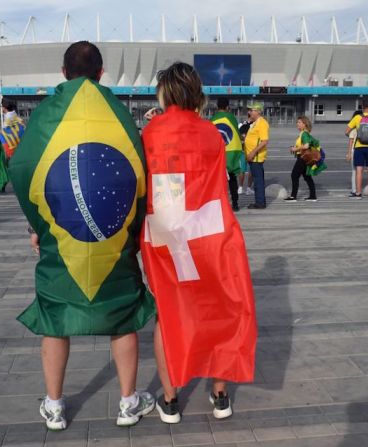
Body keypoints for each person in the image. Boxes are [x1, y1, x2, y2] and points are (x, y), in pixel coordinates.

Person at [8, 41, 156, 431]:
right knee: (122, 315)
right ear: (102, 72)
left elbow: (23, 168)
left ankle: (54, 406)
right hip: (115, 236)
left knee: (56, 316)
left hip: (62, 237)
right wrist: (133, 227)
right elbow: (140, 170)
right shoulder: (119, 114)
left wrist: (39, 225)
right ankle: (128, 403)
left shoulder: (45, 114)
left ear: (63, 72)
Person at [141, 62, 257, 424]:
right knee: (217, 310)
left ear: (164, 93)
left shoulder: (149, 133)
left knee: (168, 311)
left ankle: (171, 399)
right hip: (209, 233)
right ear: (196, 93)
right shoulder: (210, 134)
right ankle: (220, 395)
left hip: (164, 235)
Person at [345, 99, 368, 199]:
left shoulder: (357, 118)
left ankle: (358, 193)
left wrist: (355, 133)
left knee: (359, 170)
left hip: (359, 146)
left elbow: (346, 131)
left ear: (362, 107)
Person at [211, 97, 243, 211]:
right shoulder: (231, 118)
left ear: (217, 106)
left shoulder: (212, 119)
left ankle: (219, 204)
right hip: (231, 151)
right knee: (232, 178)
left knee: (218, 180)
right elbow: (236, 133)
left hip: (218, 152)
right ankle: (235, 204)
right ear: (227, 107)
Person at [284, 116, 320, 202]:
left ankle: (293, 196)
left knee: (294, 175)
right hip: (304, 157)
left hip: (303, 158)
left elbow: (306, 145)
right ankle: (313, 196)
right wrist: (295, 148)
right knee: (307, 177)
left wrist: (295, 149)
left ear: (304, 124)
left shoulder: (304, 134)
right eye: (297, 122)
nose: (297, 124)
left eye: (299, 122)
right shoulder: (303, 133)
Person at [243, 102, 269, 209]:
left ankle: (260, 203)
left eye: (251, 110)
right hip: (252, 156)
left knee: (258, 181)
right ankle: (259, 201)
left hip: (256, 157)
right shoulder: (255, 122)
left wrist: (252, 152)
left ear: (258, 111)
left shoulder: (262, 123)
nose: (249, 112)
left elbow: (264, 141)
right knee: (257, 180)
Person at [345, 110, 362, 196]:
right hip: (363, 150)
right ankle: (359, 189)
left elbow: (350, 142)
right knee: (360, 171)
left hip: (354, 150)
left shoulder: (353, 129)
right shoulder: (363, 129)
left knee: (354, 171)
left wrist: (349, 154)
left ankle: (354, 190)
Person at [238, 121, 254, 195]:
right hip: (250, 151)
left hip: (242, 152)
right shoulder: (252, 129)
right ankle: (248, 188)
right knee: (251, 170)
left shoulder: (241, 129)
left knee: (242, 170)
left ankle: (240, 188)